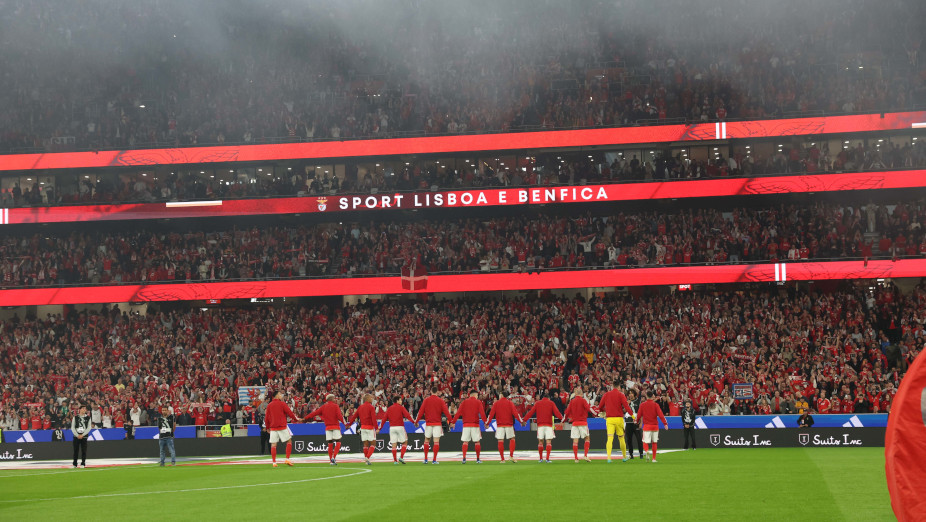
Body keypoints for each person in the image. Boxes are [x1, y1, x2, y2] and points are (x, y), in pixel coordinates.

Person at [521, 391, 564, 463]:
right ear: (549, 398)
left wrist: (524, 420)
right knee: (548, 442)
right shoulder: (551, 403)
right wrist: (562, 420)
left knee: (540, 442)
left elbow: (531, 412)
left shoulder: (538, 403)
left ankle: (540, 459)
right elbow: (557, 412)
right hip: (548, 425)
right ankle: (547, 459)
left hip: (540, 425)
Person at [306, 394, 346, 465]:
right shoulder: (335, 406)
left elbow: (314, 413)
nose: (335, 399)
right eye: (334, 398)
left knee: (330, 443)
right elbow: (340, 417)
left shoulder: (323, 407)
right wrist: (345, 424)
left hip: (328, 428)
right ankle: (334, 457)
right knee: (338, 441)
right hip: (335, 427)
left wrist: (305, 418)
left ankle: (331, 460)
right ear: (331, 399)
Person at [597, 380, 632, 462]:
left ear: (612, 386)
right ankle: (624, 457)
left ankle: (609, 458)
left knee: (609, 438)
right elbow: (626, 407)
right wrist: (633, 416)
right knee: (621, 438)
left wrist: (603, 412)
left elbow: (600, 406)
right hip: (619, 419)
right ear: (619, 387)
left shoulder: (606, 394)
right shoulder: (621, 395)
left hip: (609, 419)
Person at [415, 387, 451, 464]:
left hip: (428, 424)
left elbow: (421, 412)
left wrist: (416, 421)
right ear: (437, 392)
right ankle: (434, 460)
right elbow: (446, 412)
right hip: (437, 424)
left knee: (426, 441)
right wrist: (451, 421)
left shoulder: (426, 400)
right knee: (436, 442)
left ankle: (425, 459)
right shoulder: (440, 401)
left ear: (431, 391)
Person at [450, 390, 487, 464]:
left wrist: (453, 422)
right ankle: (478, 459)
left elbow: (458, 413)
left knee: (465, 442)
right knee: (477, 442)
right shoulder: (478, 402)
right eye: (477, 395)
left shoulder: (464, 402)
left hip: (466, 425)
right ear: (475, 395)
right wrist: (485, 422)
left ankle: (464, 458)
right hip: (475, 425)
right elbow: (482, 413)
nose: (477, 397)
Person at [485, 390, 523, 463]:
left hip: (500, 425)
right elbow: (516, 413)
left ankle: (502, 459)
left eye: (499, 394)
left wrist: (487, 423)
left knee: (500, 440)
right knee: (512, 439)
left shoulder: (496, 403)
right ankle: (511, 456)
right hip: (509, 424)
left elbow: (491, 414)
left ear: (502, 395)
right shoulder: (510, 403)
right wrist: (521, 421)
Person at [265, 390, 300, 467]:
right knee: (289, 441)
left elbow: (266, 418)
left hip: (273, 427)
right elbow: (290, 413)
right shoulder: (282, 404)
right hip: (282, 426)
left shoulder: (269, 405)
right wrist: (296, 419)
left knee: (273, 445)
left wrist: (267, 427)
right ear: (277, 395)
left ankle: (274, 462)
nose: (281, 395)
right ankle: (287, 459)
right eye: (280, 394)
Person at [379, 395, 414, 464]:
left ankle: (395, 461)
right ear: (397, 401)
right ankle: (401, 457)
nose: (401, 401)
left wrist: (379, 428)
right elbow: (407, 415)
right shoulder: (401, 408)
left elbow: (384, 419)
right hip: (400, 427)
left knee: (393, 444)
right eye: (400, 400)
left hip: (392, 428)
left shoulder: (389, 408)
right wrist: (414, 422)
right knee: (405, 442)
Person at [637, 391, 668, 463]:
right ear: (652, 396)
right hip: (655, 427)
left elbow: (639, 415)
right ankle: (654, 459)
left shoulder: (642, 405)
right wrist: (665, 424)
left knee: (645, 441)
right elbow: (661, 415)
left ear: (646, 396)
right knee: (654, 442)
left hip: (647, 426)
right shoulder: (656, 405)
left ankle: (647, 451)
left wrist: (636, 421)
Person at [563, 388, 593, 463]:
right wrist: (597, 414)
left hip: (574, 424)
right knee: (587, 438)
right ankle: (585, 455)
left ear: (575, 393)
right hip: (583, 423)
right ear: (582, 394)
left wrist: (563, 420)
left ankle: (576, 458)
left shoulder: (572, 401)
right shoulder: (583, 400)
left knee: (575, 441)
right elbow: (589, 409)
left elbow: (567, 412)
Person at [347, 393, 378, 465]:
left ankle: (367, 461)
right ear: (367, 399)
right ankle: (367, 457)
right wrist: (376, 428)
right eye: (371, 397)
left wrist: (349, 424)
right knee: (373, 443)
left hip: (363, 427)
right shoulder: (371, 407)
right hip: (370, 427)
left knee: (365, 444)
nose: (372, 399)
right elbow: (374, 419)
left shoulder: (360, 407)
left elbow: (354, 416)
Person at [625, 390, 644, 459]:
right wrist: (627, 404)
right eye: (629, 394)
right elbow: (624, 411)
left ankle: (641, 454)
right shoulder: (626, 402)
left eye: (632, 393)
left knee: (639, 439)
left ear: (634, 394)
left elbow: (641, 413)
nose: (630, 395)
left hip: (636, 422)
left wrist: (641, 422)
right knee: (629, 439)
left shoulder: (638, 402)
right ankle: (631, 454)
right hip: (628, 422)